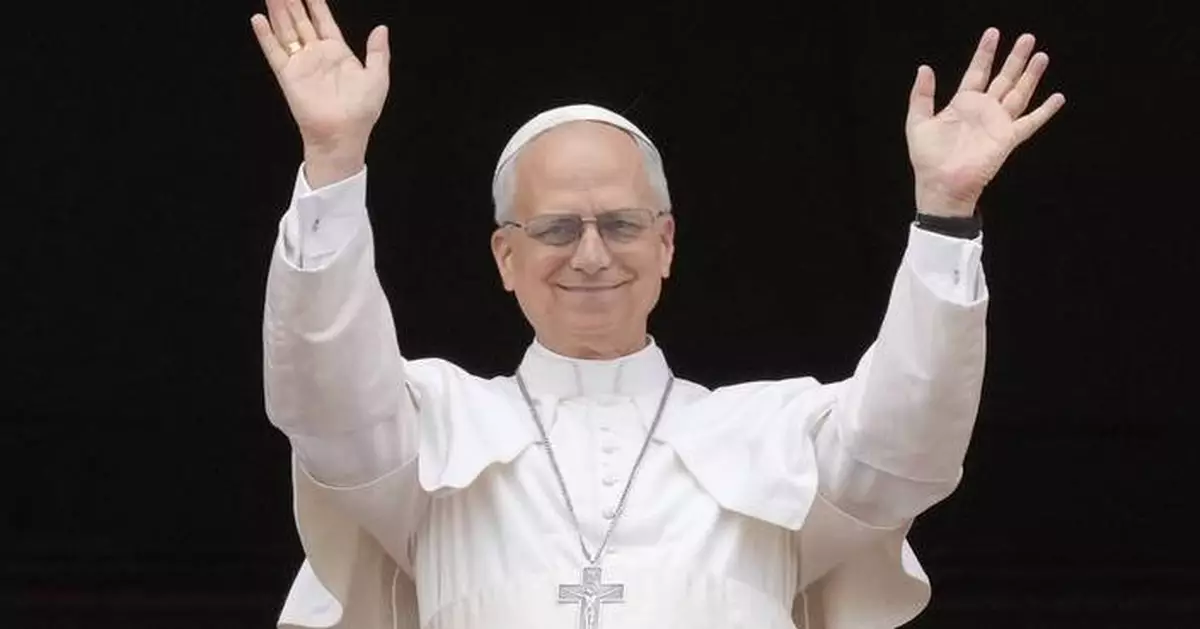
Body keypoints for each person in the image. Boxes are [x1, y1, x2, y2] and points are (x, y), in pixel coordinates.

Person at [250, 1, 1065, 627]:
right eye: (557, 228)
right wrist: (332, 164)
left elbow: (907, 444)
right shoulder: (432, 423)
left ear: (667, 242)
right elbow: (324, 394)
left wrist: (945, 213)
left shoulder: (772, 432)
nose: (593, 254)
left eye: (622, 224)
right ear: (506, 256)